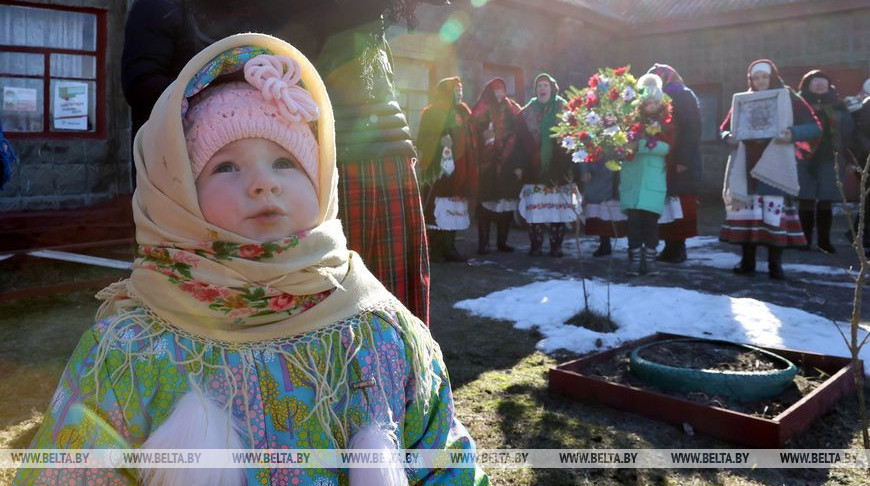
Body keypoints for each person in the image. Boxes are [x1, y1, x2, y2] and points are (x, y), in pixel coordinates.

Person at [15, 33, 487, 486]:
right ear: (177, 192)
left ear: (322, 177)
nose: (264, 183)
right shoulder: (129, 350)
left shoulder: (382, 335)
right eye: (225, 166)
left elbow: (443, 465)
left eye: (286, 162)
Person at [121, 0, 435, 325]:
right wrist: (218, 101)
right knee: (207, 308)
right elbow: (141, 80)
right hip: (193, 179)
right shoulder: (162, 6)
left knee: (322, 297)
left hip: (322, 156)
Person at [720, 59, 821, 280]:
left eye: (764, 77)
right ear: (751, 80)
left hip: (775, 163)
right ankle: (747, 262)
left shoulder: (788, 97)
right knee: (748, 213)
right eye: (756, 78)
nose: (760, 81)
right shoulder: (743, 101)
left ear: (772, 76)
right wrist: (729, 138)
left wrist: (792, 133)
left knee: (773, 215)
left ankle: (775, 265)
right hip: (747, 165)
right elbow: (725, 128)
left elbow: (813, 126)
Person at [516, 73, 580, 257]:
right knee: (535, 207)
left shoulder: (564, 108)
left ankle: (556, 245)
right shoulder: (527, 112)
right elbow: (520, 142)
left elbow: (573, 137)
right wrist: (519, 165)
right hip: (533, 167)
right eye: (539, 86)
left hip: (558, 165)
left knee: (556, 208)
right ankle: (535, 245)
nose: (542, 89)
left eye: (545, 85)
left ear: (552, 88)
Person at [645, 64, 702, 263]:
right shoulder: (655, 98)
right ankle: (669, 247)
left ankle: (678, 248)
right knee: (666, 204)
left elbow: (692, 128)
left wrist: (683, 160)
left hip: (678, 159)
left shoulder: (683, 95)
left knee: (679, 203)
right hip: (663, 158)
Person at [416, 77, 477, 263]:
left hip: (459, 168)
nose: (459, 94)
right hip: (438, 170)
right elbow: (422, 139)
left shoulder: (463, 112)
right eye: (456, 91)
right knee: (437, 206)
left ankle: (449, 247)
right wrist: (439, 142)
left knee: (454, 205)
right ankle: (433, 248)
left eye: (461, 91)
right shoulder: (431, 113)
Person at [619, 74, 674, 276]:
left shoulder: (666, 124)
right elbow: (622, 145)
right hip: (632, 179)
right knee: (633, 224)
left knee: (650, 223)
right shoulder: (631, 122)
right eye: (647, 102)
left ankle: (649, 259)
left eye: (654, 102)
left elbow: (667, 147)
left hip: (652, 180)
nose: (650, 105)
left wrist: (640, 145)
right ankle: (634, 258)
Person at [795, 70, 855, 254]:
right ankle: (804, 240)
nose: (819, 85)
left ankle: (824, 241)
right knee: (806, 199)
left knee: (825, 201)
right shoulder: (798, 106)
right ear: (807, 84)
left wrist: (850, 160)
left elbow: (848, 134)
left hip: (831, 159)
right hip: (804, 159)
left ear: (829, 85)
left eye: (823, 82)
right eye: (815, 82)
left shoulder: (839, 107)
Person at [471, 77, 523, 254]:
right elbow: (473, 128)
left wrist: (518, 163)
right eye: (496, 90)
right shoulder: (482, 106)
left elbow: (520, 130)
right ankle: (483, 244)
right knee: (486, 203)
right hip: (487, 162)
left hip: (508, 160)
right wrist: (484, 133)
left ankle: (502, 242)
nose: (500, 93)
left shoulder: (512, 107)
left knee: (506, 203)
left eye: (502, 89)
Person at [578, 157, 625, 257]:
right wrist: (584, 169)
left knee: (623, 210)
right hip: (598, 173)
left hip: (622, 172)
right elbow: (582, 148)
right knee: (601, 210)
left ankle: (633, 247)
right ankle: (604, 243)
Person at [846, 78, 870, 252]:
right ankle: (861, 235)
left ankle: (857, 233)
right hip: (866, 159)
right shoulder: (867, 107)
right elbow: (861, 133)